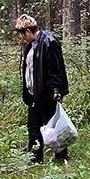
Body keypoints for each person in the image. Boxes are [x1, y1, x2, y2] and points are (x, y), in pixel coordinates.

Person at [16, 15, 70, 164]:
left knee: (53, 127)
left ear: (28, 31)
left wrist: (56, 90)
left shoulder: (49, 42)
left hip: (47, 94)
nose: (22, 38)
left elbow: (56, 69)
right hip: (35, 95)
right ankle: (35, 158)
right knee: (34, 126)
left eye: (22, 34)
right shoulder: (32, 45)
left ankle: (62, 157)